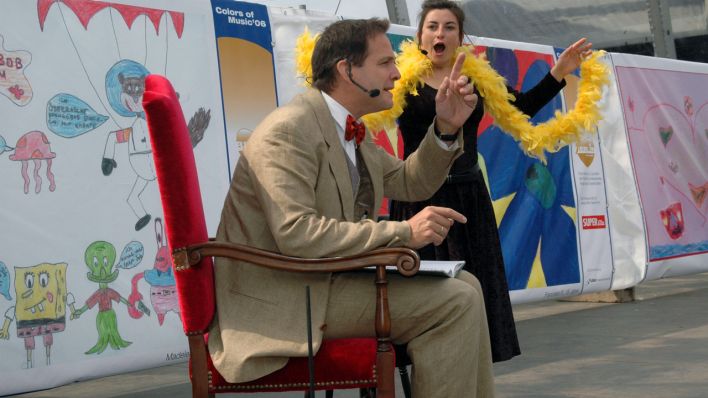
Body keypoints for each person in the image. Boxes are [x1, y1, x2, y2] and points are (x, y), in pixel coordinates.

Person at [208, 18, 496, 397]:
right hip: (292, 295)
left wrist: (444, 126)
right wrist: (404, 232)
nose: (397, 73)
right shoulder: (288, 130)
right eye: (385, 63)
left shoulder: (348, 129)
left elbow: (412, 181)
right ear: (346, 69)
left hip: (327, 281)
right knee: (454, 301)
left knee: (467, 285)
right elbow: (298, 234)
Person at [389, 0, 594, 363]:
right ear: (420, 36)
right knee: (423, 293)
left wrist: (559, 72)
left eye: (449, 27)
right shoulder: (399, 83)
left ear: (460, 37)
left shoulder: (476, 80)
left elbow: (523, 108)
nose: (440, 33)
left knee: (474, 291)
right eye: (433, 26)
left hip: (468, 199)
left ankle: (470, 370)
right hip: (419, 198)